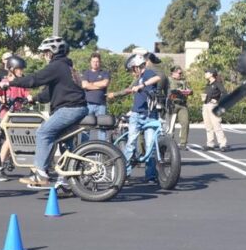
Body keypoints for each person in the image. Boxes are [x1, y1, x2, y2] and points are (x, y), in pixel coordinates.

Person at [0, 37, 87, 187]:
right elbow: (48, 93)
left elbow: (35, 79)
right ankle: (67, 180)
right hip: (75, 107)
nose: (45, 55)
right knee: (63, 142)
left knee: (43, 133)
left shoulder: (57, 66)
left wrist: (11, 83)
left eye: (46, 52)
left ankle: (40, 174)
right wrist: (34, 99)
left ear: (53, 52)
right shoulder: (65, 67)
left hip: (70, 108)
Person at [107, 53, 162, 184]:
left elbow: (157, 78)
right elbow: (129, 90)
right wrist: (114, 95)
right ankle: (124, 173)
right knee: (131, 144)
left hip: (149, 115)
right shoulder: (138, 79)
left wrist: (142, 86)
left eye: (133, 69)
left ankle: (151, 176)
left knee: (150, 146)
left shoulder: (147, 73)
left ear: (137, 67)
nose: (132, 72)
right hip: (136, 115)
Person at [0, 56, 32, 182]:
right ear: (12, 69)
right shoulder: (4, 83)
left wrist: (30, 98)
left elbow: (27, 94)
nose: (21, 71)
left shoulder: (21, 83)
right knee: (9, 140)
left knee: (24, 139)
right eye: (19, 69)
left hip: (18, 115)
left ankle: (31, 167)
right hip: (6, 116)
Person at [80, 52, 110, 142]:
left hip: (101, 105)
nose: (95, 63)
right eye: (93, 61)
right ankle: (84, 149)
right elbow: (84, 85)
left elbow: (105, 83)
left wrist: (91, 84)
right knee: (86, 128)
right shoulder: (86, 73)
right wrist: (98, 85)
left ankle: (102, 150)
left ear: (100, 62)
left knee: (102, 128)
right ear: (90, 62)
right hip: (88, 104)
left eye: (97, 61)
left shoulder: (105, 73)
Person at [201, 68, 228, 152]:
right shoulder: (208, 84)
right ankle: (210, 144)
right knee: (208, 126)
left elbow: (224, 93)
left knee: (216, 125)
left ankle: (223, 144)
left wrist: (218, 100)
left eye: (207, 72)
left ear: (212, 74)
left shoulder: (217, 83)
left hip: (213, 106)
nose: (205, 74)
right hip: (206, 105)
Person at [168, 66, 192, 149]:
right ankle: (169, 142)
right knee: (170, 125)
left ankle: (183, 143)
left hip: (182, 104)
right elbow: (168, 91)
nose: (181, 75)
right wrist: (177, 91)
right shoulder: (169, 80)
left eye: (181, 73)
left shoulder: (183, 81)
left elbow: (189, 90)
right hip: (172, 103)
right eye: (179, 73)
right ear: (173, 73)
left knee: (185, 123)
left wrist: (189, 92)